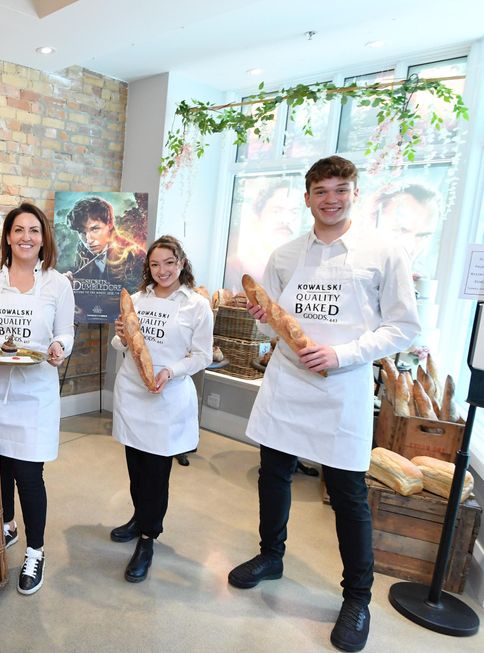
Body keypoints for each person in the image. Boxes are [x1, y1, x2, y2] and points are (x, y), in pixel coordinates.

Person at [227, 156, 419, 652]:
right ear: (307, 197)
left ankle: (357, 598)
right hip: (288, 383)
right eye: (321, 191)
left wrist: (342, 353)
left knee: (348, 495)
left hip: (343, 388)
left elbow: (404, 327)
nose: (330, 199)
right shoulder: (288, 254)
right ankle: (271, 555)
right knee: (274, 473)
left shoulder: (383, 251)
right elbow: (275, 320)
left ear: (356, 193)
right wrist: (262, 315)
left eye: (341, 189)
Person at [0, 202, 75, 595]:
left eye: (34, 231)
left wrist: (57, 347)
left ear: (43, 239)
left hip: (33, 393)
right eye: (19, 230)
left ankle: (35, 551)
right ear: (8, 236)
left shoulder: (57, 283)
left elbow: (66, 333)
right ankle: (6, 526)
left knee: (28, 474)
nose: (26, 237)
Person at [109, 235, 213, 582]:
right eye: (155, 264)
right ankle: (139, 517)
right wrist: (121, 335)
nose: (162, 270)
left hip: (166, 398)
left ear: (181, 263)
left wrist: (172, 371)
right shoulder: (136, 299)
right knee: (136, 466)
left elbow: (202, 355)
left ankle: (148, 538)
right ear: (147, 268)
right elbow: (119, 343)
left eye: (169, 262)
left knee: (156, 472)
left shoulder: (196, 305)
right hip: (132, 393)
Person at [65, 196, 145, 321]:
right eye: (82, 232)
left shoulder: (134, 254)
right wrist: (69, 285)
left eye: (95, 229)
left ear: (110, 224)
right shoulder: (82, 248)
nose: (89, 240)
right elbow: (85, 284)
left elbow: (134, 303)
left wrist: (87, 315)